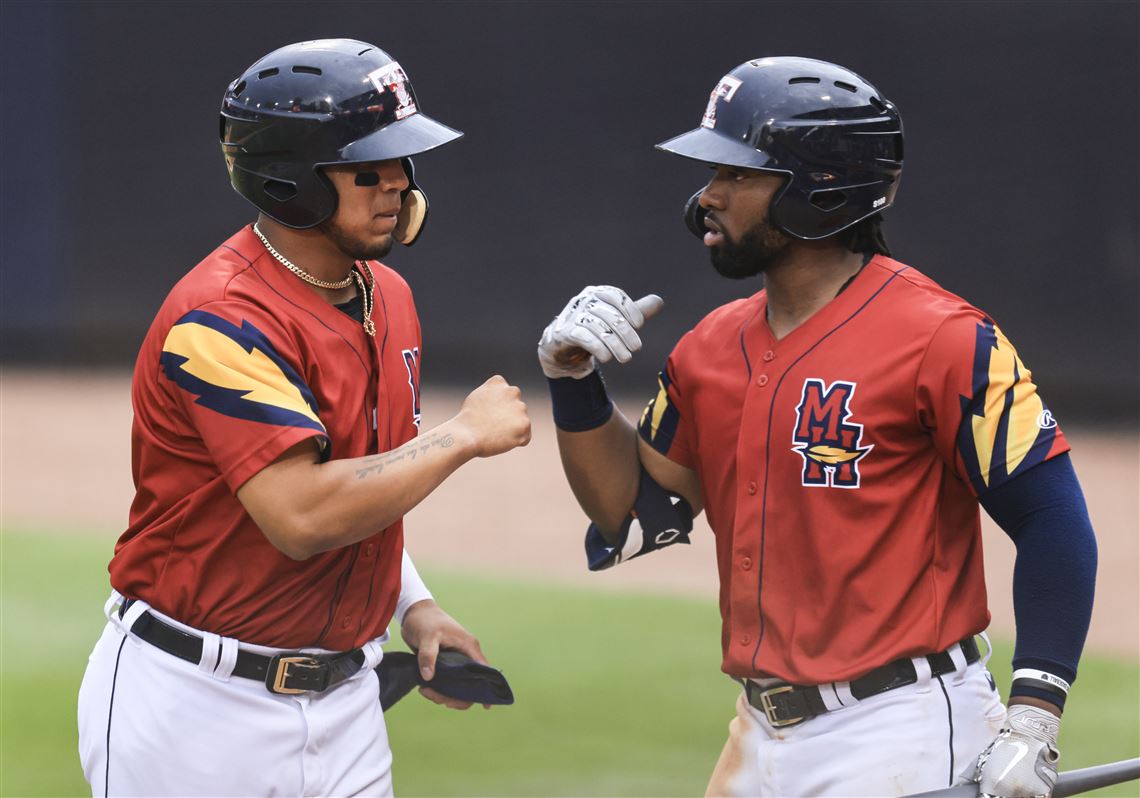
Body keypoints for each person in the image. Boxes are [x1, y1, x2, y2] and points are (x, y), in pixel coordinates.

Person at [537, 56, 1096, 797]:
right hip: (759, 733)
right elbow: (638, 513)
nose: (709, 196)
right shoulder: (709, 346)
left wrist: (1033, 720)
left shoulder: (943, 337)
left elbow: (1054, 520)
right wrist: (575, 384)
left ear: (820, 191)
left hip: (902, 730)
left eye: (738, 175)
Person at [77, 39, 531, 797]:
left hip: (349, 707)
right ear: (290, 179)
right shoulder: (220, 319)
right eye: (369, 168)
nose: (397, 186)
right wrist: (460, 437)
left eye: (402, 164)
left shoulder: (388, 297)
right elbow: (302, 514)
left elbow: (363, 473)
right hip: (193, 709)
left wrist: (413, 607)